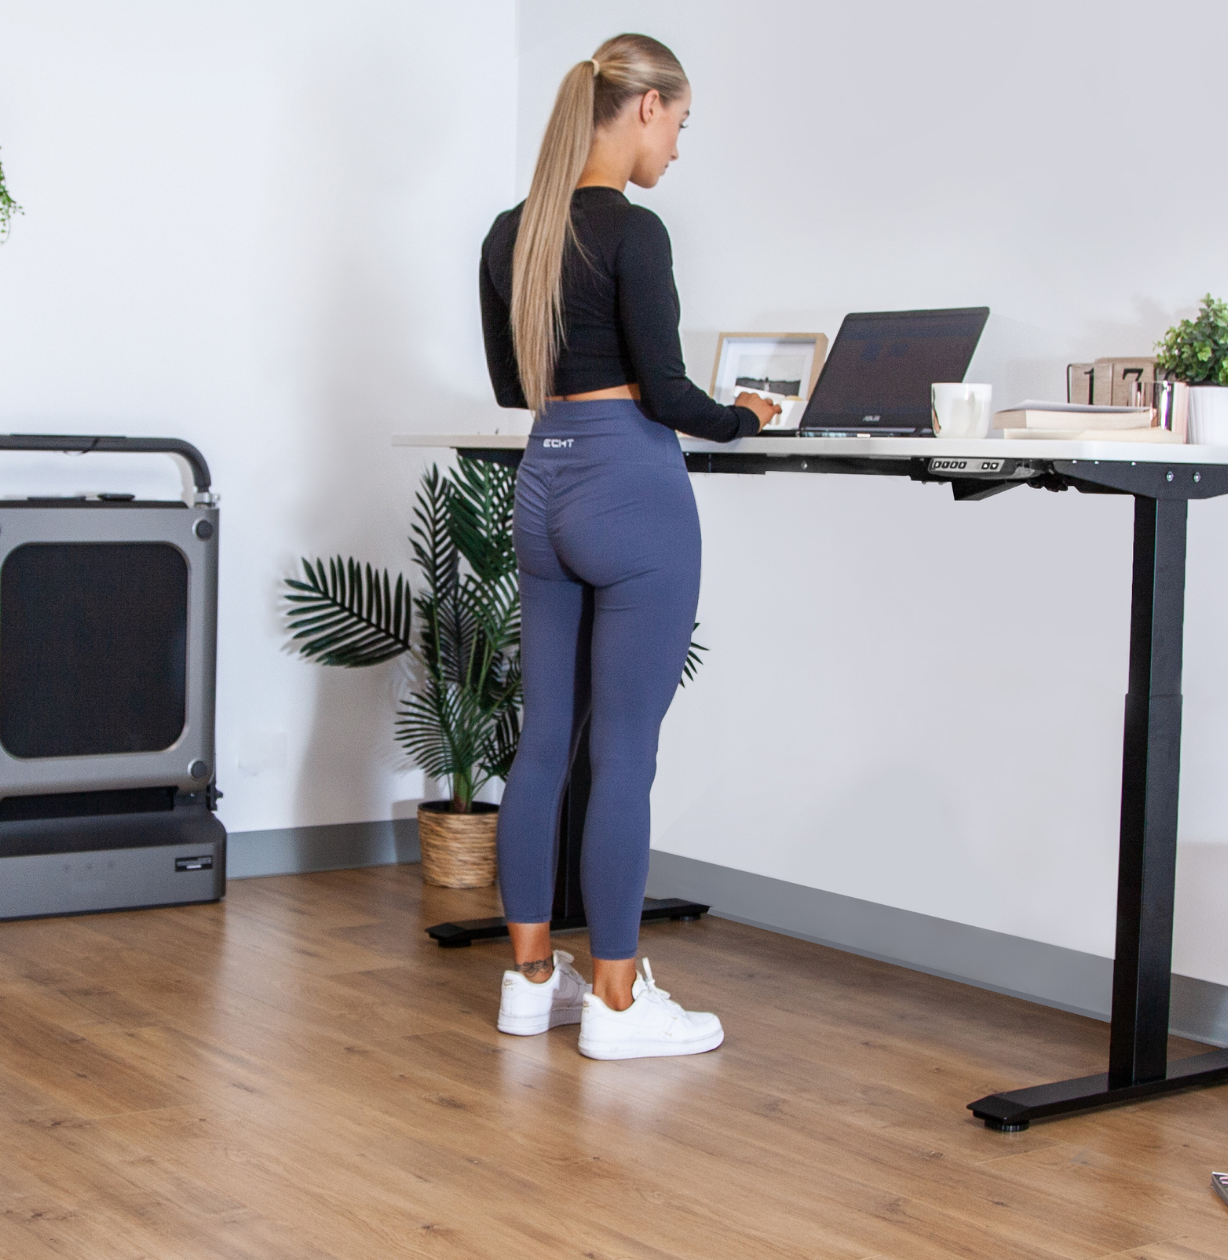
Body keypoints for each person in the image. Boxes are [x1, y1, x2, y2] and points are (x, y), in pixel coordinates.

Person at [478, 33, 779, 1061]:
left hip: (543, 478)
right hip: (627, 487)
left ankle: (530, 983)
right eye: (681, 124)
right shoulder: (633, 233)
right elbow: (668, 392)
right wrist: (745, 414)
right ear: (642, 108)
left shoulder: (509, 233)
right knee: (624, 753)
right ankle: (613, 1003)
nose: (679, 149)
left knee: (545, 740)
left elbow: (512, 387)